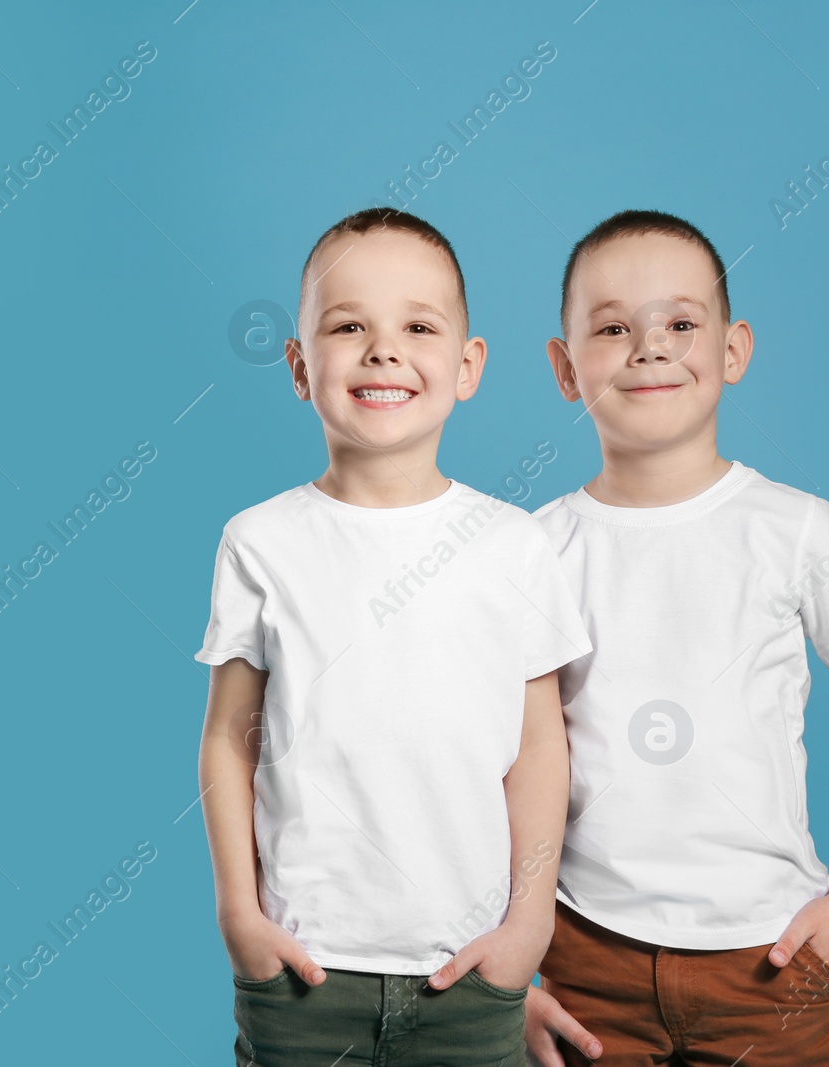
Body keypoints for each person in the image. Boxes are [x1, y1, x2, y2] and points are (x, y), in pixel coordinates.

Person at [526, 210, 829, 1066]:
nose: (649, 347)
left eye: (679, 323)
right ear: (565, 367)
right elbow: (497, 768)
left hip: (772, 963)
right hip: (584, 957)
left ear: (733, 349)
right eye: (611, 328)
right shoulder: (533, 551)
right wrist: (515, 977)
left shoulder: (796, 530)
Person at [196, 208, 592, 1067]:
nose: (383, 350)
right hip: (302, 973)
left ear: (468, 364)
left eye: (418, 325)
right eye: (348, 326)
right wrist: (240, 913)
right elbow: (229, 737)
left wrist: (529, 925)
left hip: (468, 974)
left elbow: (539, 749)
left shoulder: (515, 544)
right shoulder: (261, 540)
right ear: (301, 367)